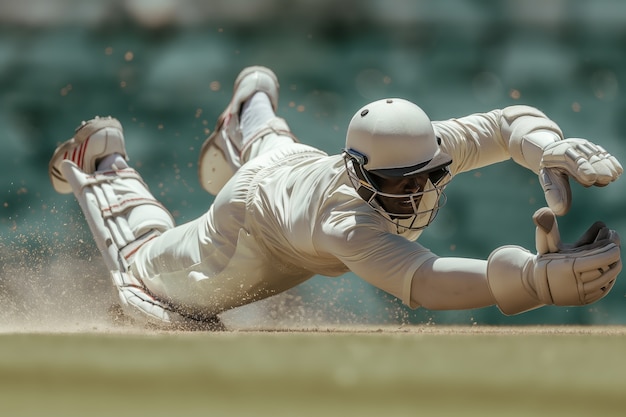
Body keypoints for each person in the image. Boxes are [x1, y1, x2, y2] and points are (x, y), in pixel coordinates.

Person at [49, 66, 623, 329]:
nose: (418, 191)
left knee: (276, 149)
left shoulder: (425, 150)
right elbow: (424, 280)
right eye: (400, 184)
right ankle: (102, 160)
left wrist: (552, 145)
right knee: (148, 285)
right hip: (248, 227)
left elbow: (508, 122)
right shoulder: (346, 223)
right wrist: (531, 281)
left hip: (292, 170)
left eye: (426, 176)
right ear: (364, 174)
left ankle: (251, 110)